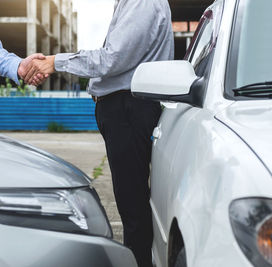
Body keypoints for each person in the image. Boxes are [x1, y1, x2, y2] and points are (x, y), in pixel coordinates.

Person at [24, 0, 174, 266]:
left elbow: (112, 59)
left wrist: (55, 62)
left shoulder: (142, 2)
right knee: (133, 203)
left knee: (133, 207)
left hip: (128, 109)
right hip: (125, 109)